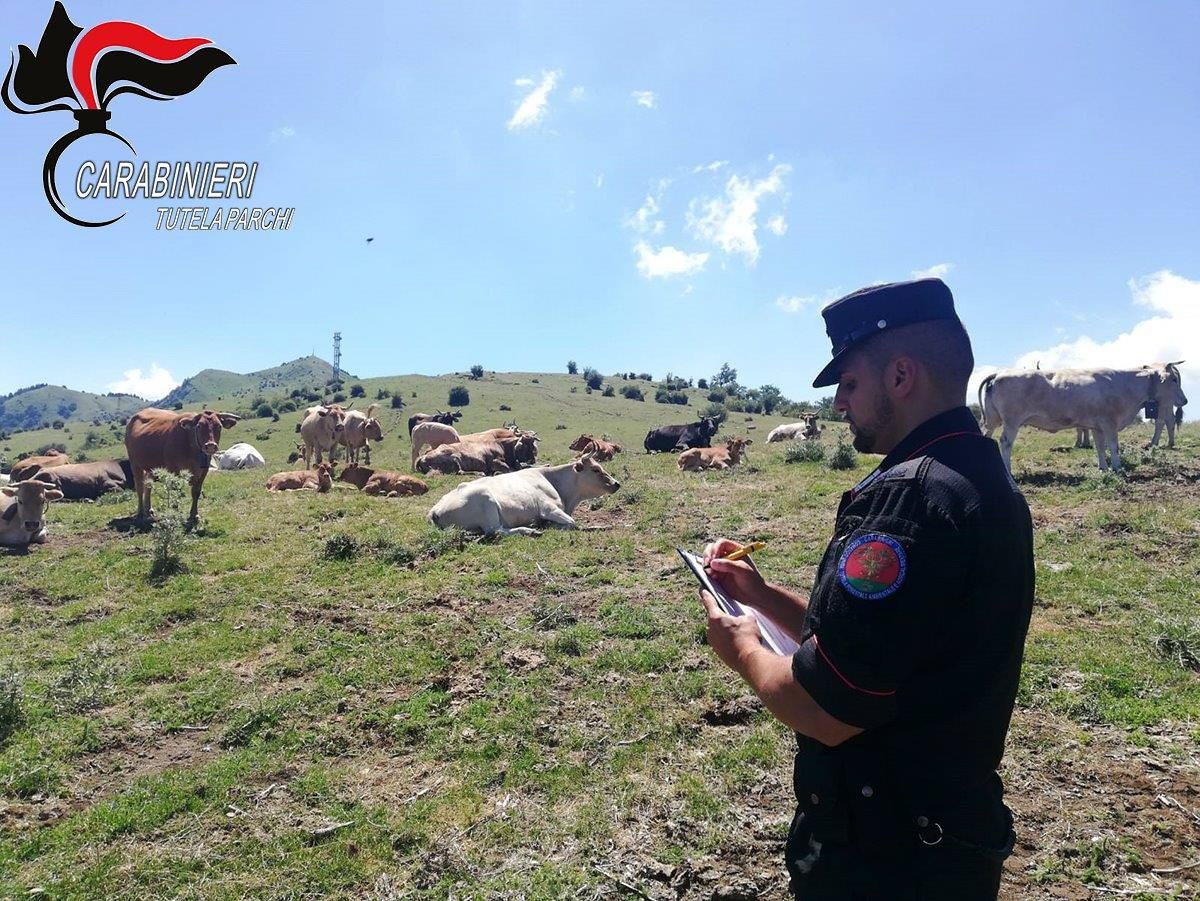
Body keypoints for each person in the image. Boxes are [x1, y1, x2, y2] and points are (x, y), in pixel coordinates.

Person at [698, 278, 1034, 899]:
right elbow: (880, 648)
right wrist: (763, 594)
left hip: (885, 849)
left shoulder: (905, 499)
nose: (838, 406)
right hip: (947, 831)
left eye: (849, 384)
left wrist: (741, 644)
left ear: (901, 376)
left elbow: (825, 711)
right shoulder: (980, 476)